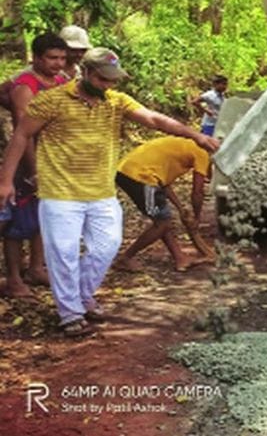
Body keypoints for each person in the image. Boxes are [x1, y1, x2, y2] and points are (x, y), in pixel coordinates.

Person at [0, 48, 219, 337]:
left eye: (113, 80)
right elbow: (21, 136)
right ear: (86, 72)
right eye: (103, 79)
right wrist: (6, 181)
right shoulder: (51, 100)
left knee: (107, 247)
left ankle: (82, 294)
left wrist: (195, 135)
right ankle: (70, 313)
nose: (109, 85)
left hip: (101, 192)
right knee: (63, 254)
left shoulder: (116, 102)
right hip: (60, 193)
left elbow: (154, 119)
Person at [2, 33, 67, 297]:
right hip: (26, 162)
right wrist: (33, 170)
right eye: (52, 58)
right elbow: (23, 133)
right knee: (18, 221)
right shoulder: (26, 86)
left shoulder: (62, 82)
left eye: (62, 58)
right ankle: (14, 278)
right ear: (37, 58)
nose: (58, 63)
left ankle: (36, 267)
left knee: (43, 215)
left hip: (54, 159)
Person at [113, 136, 217, 272]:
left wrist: (180, 208)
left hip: (131, 172)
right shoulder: (202, 154)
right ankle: (125, 259)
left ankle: (180, 258)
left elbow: (164, 184)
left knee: (163, 219)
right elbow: (197, 192)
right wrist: (197, 218)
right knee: (162, 222)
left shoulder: (185, 146)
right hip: (140, 176)